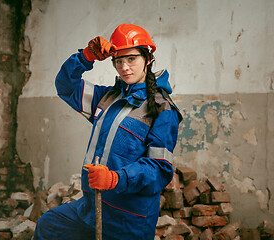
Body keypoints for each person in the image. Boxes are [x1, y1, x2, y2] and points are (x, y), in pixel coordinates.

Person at [34, 23, 182, 240]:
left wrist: (116, 178)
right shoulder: (107, 98)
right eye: (118, 61)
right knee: (49, 226)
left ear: (148, 59)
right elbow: (65, 86)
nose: (124, 67)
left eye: (131, 59)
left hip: (129, 219)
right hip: (91, 208)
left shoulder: (162, 109)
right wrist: (86, 56)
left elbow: (159, 170)